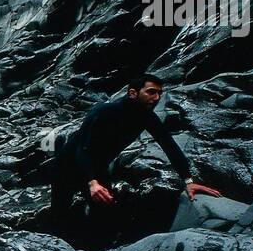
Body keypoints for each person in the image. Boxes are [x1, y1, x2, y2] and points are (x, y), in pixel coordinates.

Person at [47, 74, 221, 223]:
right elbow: (83, 149)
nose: (157, 98)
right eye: (151, 92)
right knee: (60, 214)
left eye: (160, 93)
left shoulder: (147, 117)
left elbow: (169, 145)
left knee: (105, 215)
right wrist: (92, 183)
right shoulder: (104, 111)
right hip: (68, 166)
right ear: (132, 93)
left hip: (98, 167)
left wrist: (188, 182)